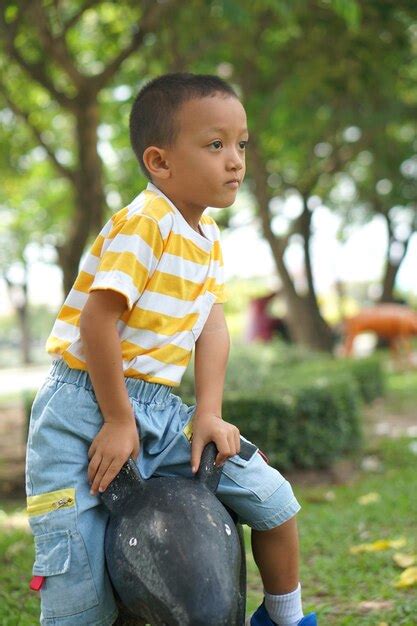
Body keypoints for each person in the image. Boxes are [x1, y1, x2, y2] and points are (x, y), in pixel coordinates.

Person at [25, 72, 317, 626]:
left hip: (161, 413)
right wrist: (116, 418)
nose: (235, 160)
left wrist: (208, 413)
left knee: (273, 500)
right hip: (83, 409)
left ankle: (286, 618)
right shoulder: (146, 223)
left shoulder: (207, 240)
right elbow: (96, 322)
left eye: (241, 144)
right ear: (160, 162)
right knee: (76, 586)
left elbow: (212, 328)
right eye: (215, 145)